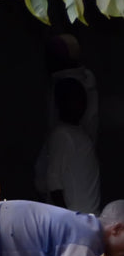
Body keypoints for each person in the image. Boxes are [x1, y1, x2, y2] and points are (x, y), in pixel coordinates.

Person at [34, 77, 100, 215]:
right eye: (75, 100)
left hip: (88, 217)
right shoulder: (61, 135)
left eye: (83, 100)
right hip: (77, 218)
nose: (81, 105)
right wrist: (69, 221)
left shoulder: (79, 132)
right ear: (61, 103)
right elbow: (54, 184)